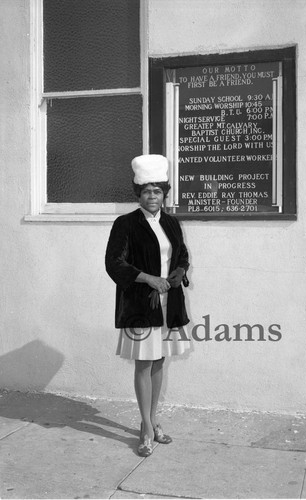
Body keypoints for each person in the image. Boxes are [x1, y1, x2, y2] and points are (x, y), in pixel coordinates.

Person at [105, 154, 190, 457]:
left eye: (157, 191)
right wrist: (148, 279)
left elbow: (181, 256)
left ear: (165, 193)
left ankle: (152, 421)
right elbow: (114, 264)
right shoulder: (125, 224)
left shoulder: (171, 222)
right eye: (146, 191)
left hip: (170, 303)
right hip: (141, 305)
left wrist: (179, 272)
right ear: (137, 193)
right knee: (144, 363)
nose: (152, 197)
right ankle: (145, 427)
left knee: (159, 361)